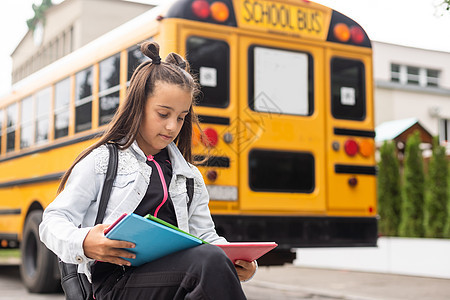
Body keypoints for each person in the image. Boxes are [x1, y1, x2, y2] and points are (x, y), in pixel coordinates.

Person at [39, 41, 256, 299]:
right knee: (207, 263)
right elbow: (51, 222)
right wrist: (85, 242)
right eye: (163, 114)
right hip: (113, 284)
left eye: (181, 117)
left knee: (212, 261)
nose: (172, 127)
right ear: (138, 106)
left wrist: (238, 261)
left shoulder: (188, 176)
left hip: (171, 277)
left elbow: (206, 235)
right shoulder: (103, 161)